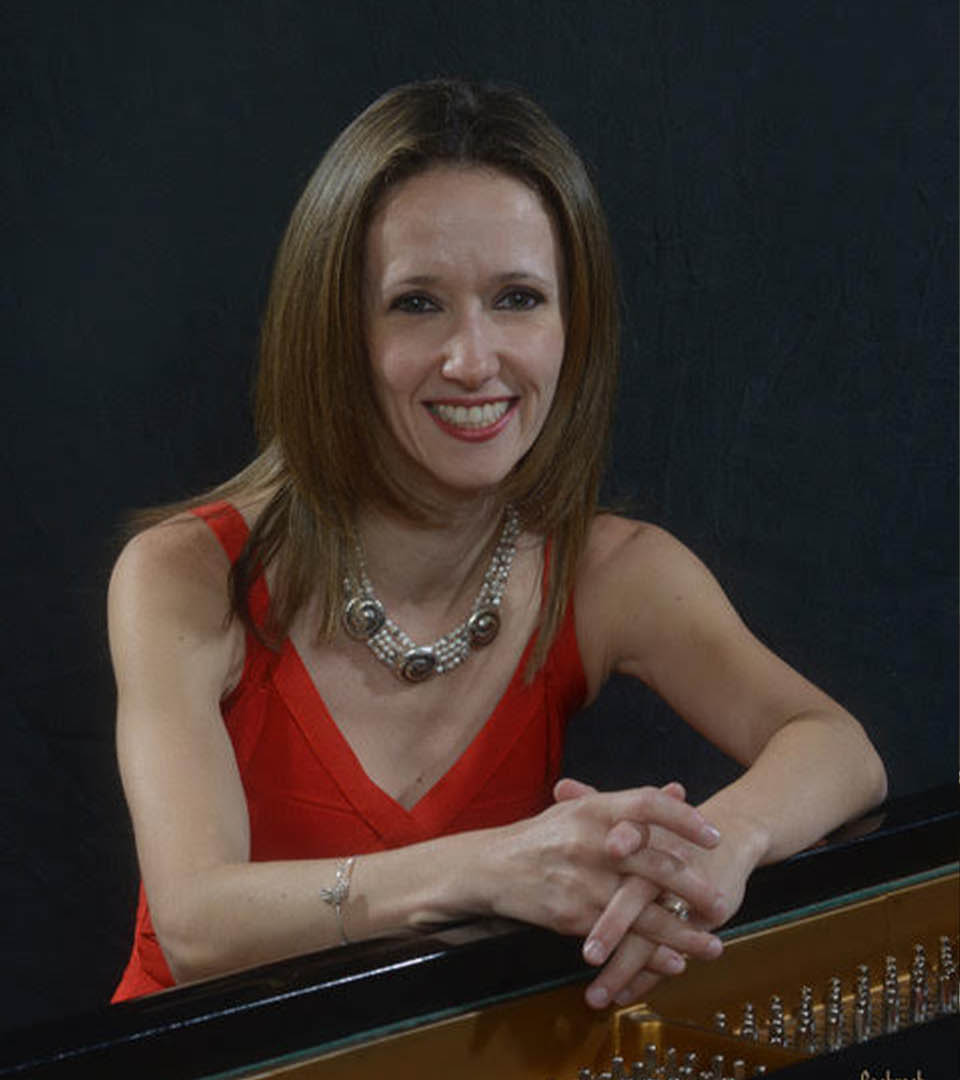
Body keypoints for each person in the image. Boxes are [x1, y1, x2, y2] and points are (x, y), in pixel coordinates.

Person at [108, 78, 887, 1010]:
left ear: (573, 326)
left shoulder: (610, 572)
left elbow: (839, 748)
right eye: (416, 304)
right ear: (336, 332)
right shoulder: (186, 575)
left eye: (518, 298)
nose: (474, 360)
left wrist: (705, 859)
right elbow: (198, 927)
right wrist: (497, 868)